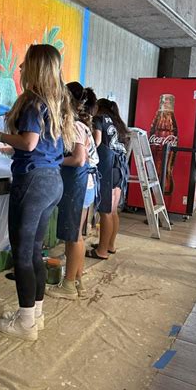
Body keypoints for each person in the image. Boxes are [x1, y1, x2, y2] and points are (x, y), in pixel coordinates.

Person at [0, 44, 74, 340]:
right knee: (34, 253)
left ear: (35, 68)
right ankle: (34, 315)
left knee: (21, 253)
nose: (19, 67)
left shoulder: (33, 103)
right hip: (52, 182)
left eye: (24, 62)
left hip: (31, 182)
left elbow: (29, 143)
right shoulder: (56, 103)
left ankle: (26, 324)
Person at [48, 83, 99, 300]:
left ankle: (68, 285)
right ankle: (77, 280)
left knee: (74, 236)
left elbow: (79, 159)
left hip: (79, 184)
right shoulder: (81, 125)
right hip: (85, 185)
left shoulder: (76, 126)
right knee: (76, 235)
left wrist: (52, 160)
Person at [87, 98, 130, 260]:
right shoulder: (118, 123)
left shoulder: (99, 119)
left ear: (99, 107)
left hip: (108, 169)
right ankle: (110, 245)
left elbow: (97, 142)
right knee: (113, 211)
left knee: (105, 211)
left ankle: (101, 251)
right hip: (120, 169)